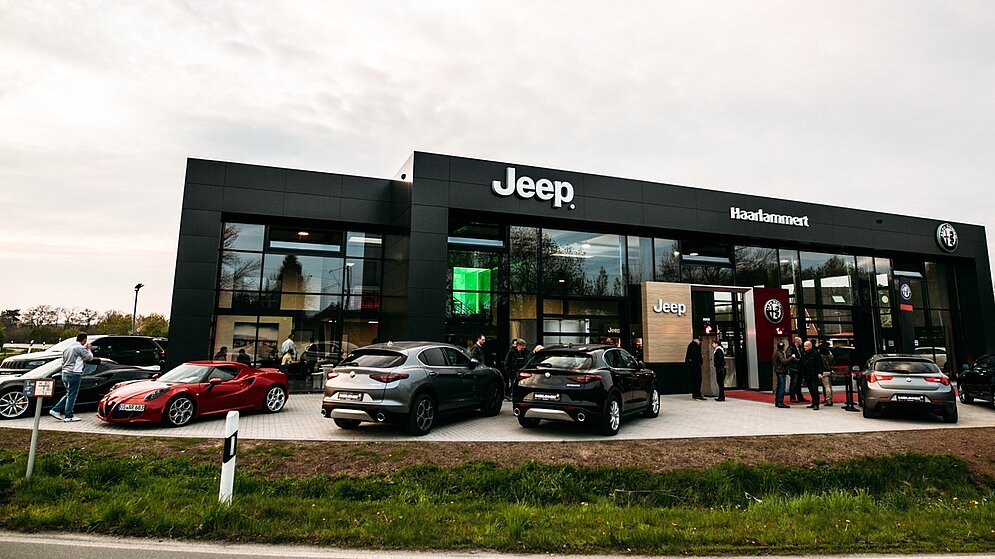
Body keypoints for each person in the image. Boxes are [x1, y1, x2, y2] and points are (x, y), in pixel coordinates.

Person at [49, 332, 93, 422]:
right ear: (84, 339)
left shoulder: (67, 348)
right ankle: (69, 416)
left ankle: (56, 410)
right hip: (74, 373)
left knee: (69, 394)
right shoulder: (79, 348)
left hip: (65, 373)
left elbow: (63, 361)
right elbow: (89, 358)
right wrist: (88, 349)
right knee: (72, 395)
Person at [801, 341, 822, 410]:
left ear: (810, 346)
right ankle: (813, 402)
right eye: (804, 346)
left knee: (814, 389)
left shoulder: (816, 353)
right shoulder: (804, 354)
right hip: (807, 374)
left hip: (814, 374)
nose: (805, 348)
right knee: (810, 389)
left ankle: (816, 404)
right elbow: (802, 364)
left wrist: (820, 373)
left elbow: (819, 363)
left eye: (806, 346)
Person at [685, 336, 705, 400]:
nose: (700, 342)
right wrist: (700, 361)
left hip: (692, 366)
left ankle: (695, 394)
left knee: (694, 380)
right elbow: (696, 356)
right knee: (697, 380)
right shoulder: (695, 346)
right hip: (696, 366)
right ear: (697, 340)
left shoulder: (690, 345)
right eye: (699, 341)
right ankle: (697, 394)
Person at [787, 336, 806, 402]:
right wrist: (799, 360)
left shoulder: (800, 348)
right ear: (797, 341)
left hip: (800, 368)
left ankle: (800, 397)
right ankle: (792, 397)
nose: (801, 342)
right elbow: (789, 357)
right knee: (793, 383)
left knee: (799, 383)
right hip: (793, 368)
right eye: (800, 341)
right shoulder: (790, 348)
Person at [772, 342, 790, 408]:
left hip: (778, 370)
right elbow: (784, 361)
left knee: (779, 386)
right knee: (781, 387)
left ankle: (777, 401)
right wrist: (791, 358)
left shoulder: (776, 353)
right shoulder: (779, 354)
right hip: (781, 371)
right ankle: (780, 402)